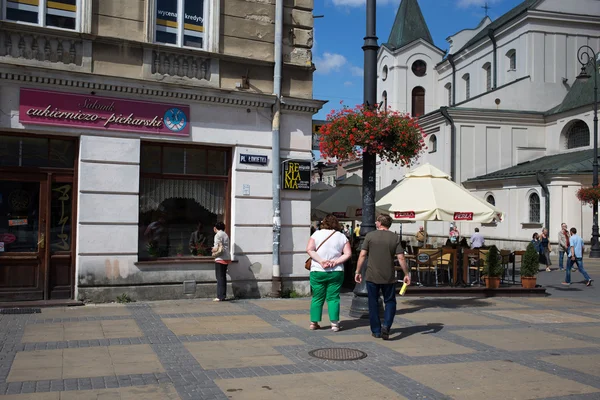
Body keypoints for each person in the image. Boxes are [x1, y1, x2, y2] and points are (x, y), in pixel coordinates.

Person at [355, 214, 410, 340]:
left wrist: (357, 271)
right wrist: (406, 274)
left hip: (372, 275)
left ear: (380, 223)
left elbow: (362, 255)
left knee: (372, 302)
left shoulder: (370, 236)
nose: (375, 222)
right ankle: (387, 325)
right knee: (390, 301)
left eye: (377, 221)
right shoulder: (394, 237)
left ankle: (376, 330)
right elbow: (401, 257)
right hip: (388, 276)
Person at [306, 214, 352, 332]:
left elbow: (309, 249)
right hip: (336, 271)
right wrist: (335, 261)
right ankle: (334, 324)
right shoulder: (341, 236)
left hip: (317, 270)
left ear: (324, 222)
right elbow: (347, 253)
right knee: (333, 298)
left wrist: (321, 261)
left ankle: (313, 322)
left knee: (317, 297)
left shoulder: (316, 234)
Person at [212, 222, 231, 302]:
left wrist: (213, 249)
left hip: (220, 258)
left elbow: (217, 247)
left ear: (216, 228)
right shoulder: (225, 235)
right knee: (223, 277)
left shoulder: (218, 235)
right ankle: (223, 295)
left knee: (219, 277)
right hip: (226, 257)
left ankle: (220, 296)